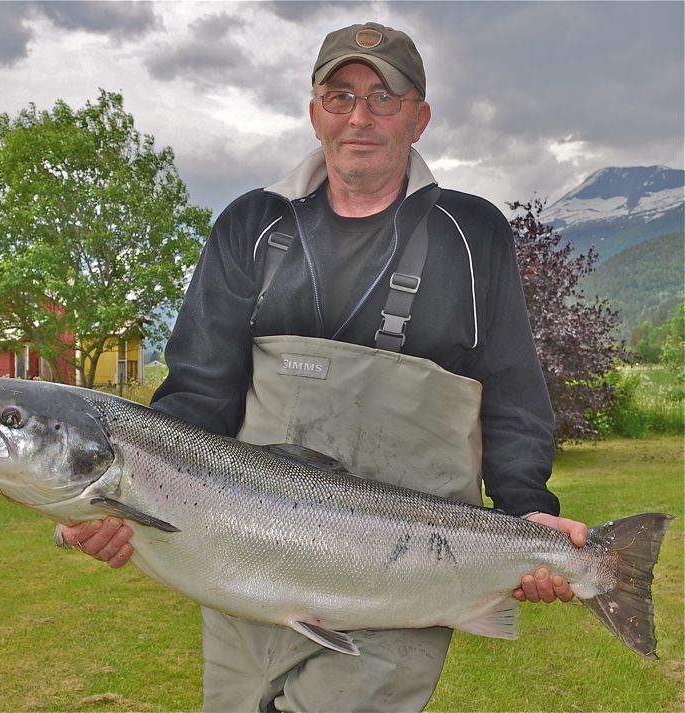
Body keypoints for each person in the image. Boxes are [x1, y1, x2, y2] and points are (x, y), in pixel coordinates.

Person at [58, 21, 589, 712]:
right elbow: (196, 397)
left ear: (419, 116)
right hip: (248, 558)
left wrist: (526, 510)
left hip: (399, 571)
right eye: (340, 96)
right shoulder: (252, 225)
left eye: (384, 96)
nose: (359, 117)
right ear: (314, 112)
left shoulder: (470, 234)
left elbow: (514, 391)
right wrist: (116, 498)